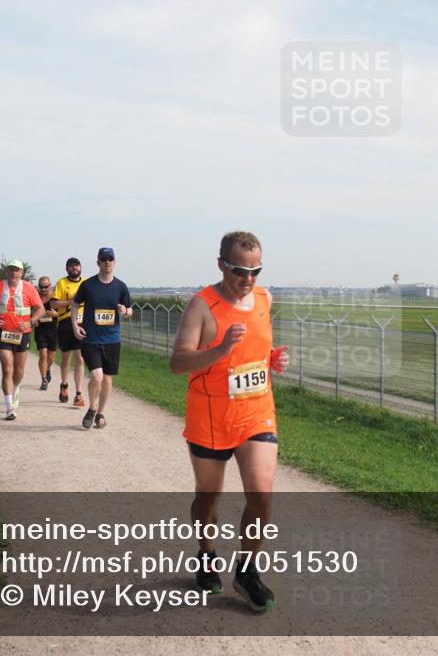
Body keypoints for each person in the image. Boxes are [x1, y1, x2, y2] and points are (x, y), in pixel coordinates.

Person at [170, 231, 289, 612]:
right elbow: (178, 363)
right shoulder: (202, 306)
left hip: (256, 412)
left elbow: (256, 348)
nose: (248, 279)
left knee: (262, 493)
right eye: (239, 270)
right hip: (210, 416)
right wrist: (220, 349)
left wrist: (272, 359)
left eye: (256, 271)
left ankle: (247, 570)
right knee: (208, 498)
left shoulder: (265, 299)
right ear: (221, 264)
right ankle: (206, 555)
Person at [72, 248, 132, 430]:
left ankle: (101, 413)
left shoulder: (120, 286)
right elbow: (75, 305)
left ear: (115, 262)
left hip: (112, 340)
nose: (107, 262)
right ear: (98, 262)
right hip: (91, 339)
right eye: (103, 259)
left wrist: (125, 311)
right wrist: (75, 325)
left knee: (107, 380)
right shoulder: (88, 285)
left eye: (110, 259)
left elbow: (130, 310)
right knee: (96, 376)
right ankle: (92, 407)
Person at [0, 260, 45, 421]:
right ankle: (9, 407)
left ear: (22, 272)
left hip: (22, 333)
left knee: (18, 370)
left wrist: (30, 322)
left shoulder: (29, 288)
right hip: (3, 332)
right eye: (11, 269)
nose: (14, 272)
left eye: (17, 270)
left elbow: (41, 309)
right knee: (7, 368)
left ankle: (16, 388)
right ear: (7, 271)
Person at [50, 257, 87, 407]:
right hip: (65, 322)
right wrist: (71, 302)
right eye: (71, 266)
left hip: (82, 322)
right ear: (67, 269)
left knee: (80, 358)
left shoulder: (86, 283)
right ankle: (64, 385)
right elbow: (53, 303)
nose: (74, 268)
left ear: (80, 267)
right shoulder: (62, 283)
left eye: (76, 265)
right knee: (66, 359)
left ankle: (79, 394)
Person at [33, 276, 59, 390]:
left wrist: (56, 314)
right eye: (41, 287)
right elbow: (29, 311)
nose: (43, 289)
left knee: (51, 357)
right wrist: (33, 320)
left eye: (46, 287)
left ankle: (47, 369)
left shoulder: (55, 296)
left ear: (50, 285)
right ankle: (44, 380)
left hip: (53, 330)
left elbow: (65, 312)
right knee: (43, 354)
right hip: (40, 330)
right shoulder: (35, 296)